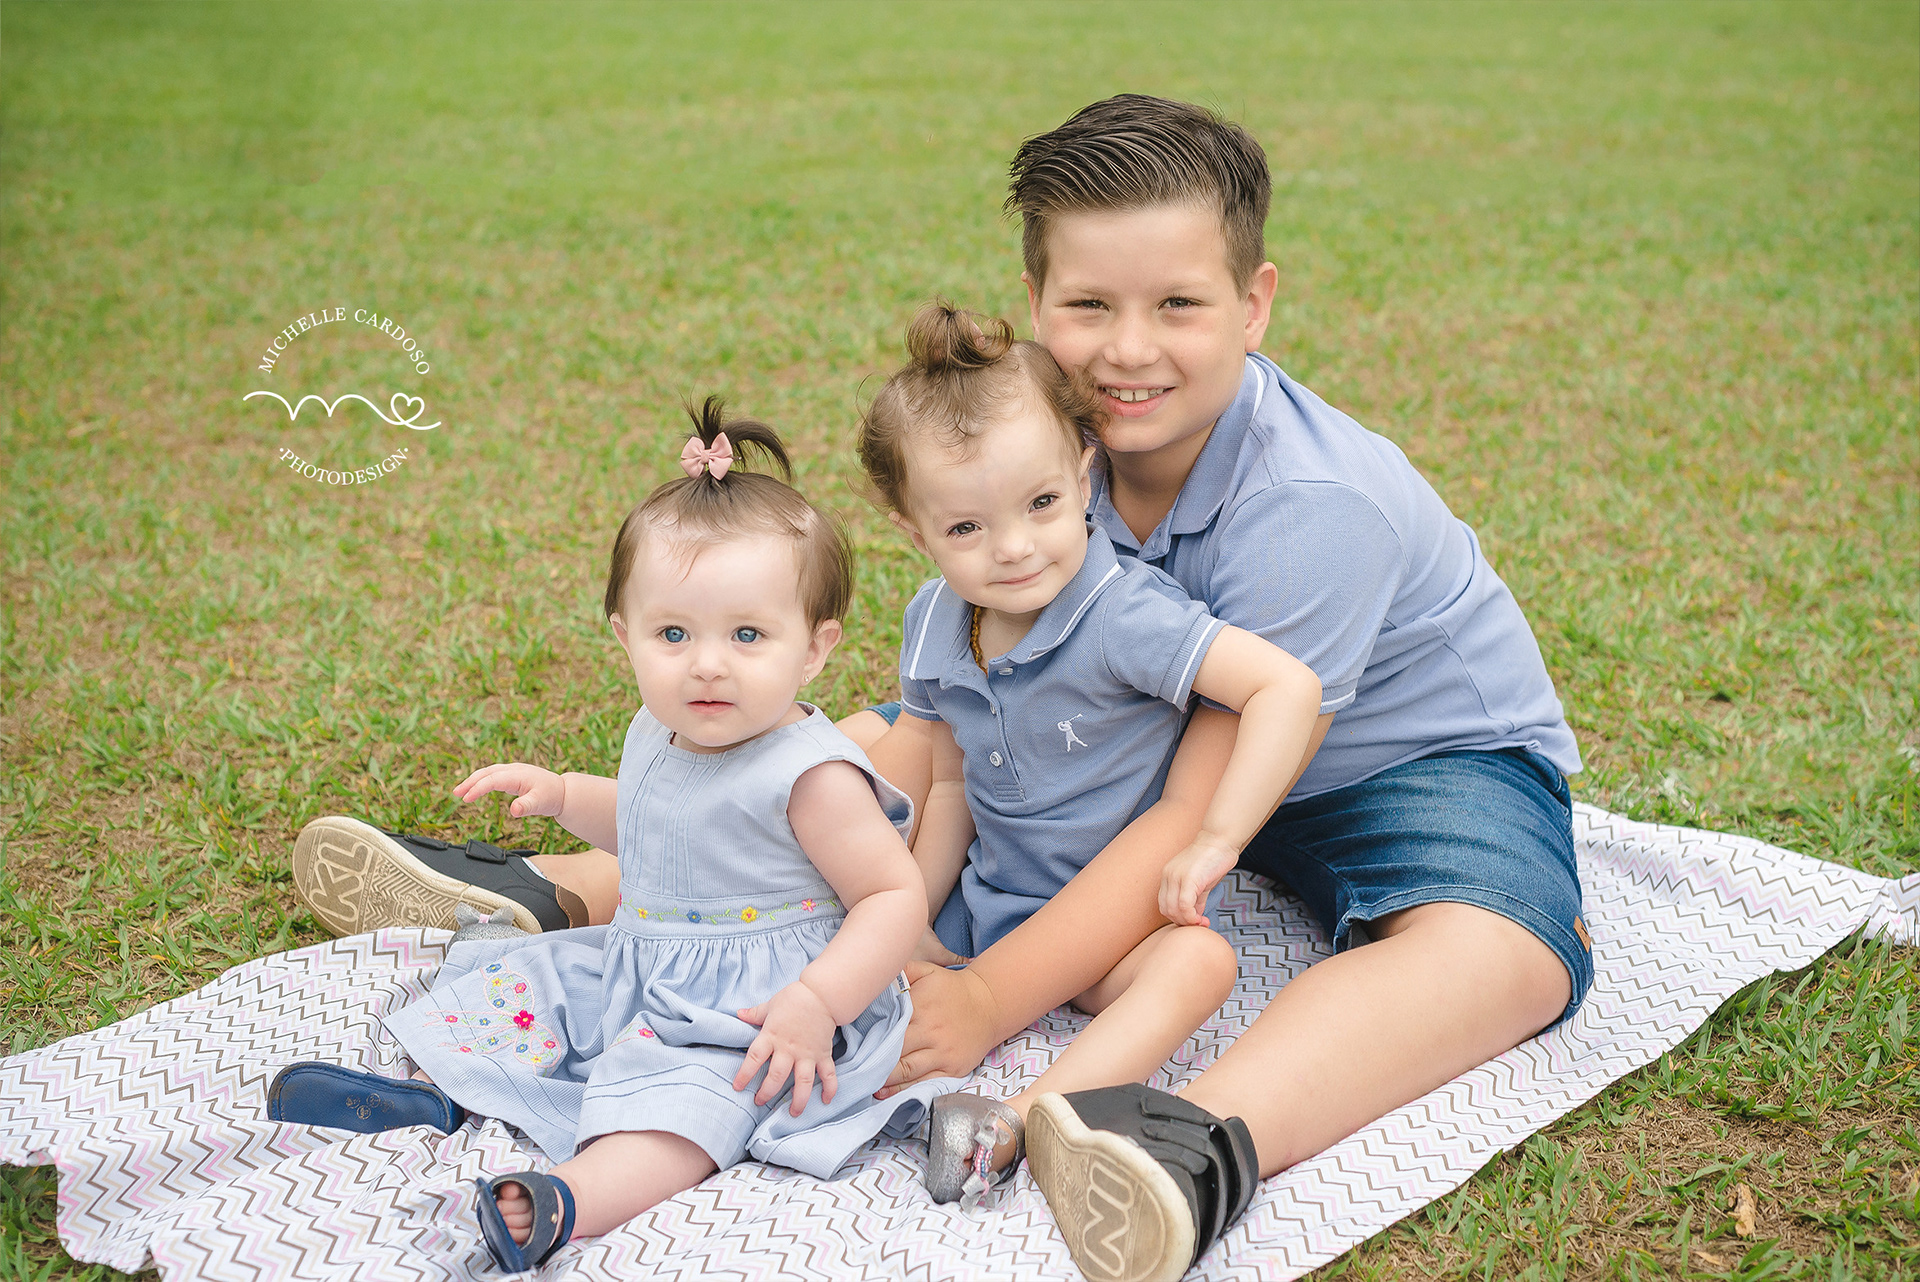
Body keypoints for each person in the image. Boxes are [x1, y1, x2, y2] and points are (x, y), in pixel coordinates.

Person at [865, 94, 1590, 1282]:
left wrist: (987, 999)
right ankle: (603, 885)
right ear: (1036, 302)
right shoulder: (1046, 456)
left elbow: (1187, 817)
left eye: (1179, 306)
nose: (1128, 350)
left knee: (1509, 952)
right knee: (893, 744)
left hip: (1401, 763)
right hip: (1146, 729)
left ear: (1254, 305)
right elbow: (951, 727)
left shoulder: (1309, 508)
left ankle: (1192, 1143)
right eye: (1089, 306)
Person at [265, 400, 949, 1273]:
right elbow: (650, 826)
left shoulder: (810, 775)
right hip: (643, 963)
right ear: (626, 636)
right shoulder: (659, 730)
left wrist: (818, 1003)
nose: (707, 662)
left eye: (748, 635)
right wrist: (562, 796)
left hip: (753, 1008)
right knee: (525, 985)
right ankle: (433, 1097)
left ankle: (568, 1199)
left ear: (814, 650)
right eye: (674, 634)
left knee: (690, 1104)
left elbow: (891, 895)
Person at [854, 302, 1322, 1206]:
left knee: (1200, 964)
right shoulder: (936, 619)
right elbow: (948, 781)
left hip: (1112, 934)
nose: (1015, 548)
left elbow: (1286, 688)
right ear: (915, 531)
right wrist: (913, 916)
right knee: (849, 901)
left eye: (1040, 504)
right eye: (966, 529)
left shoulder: (1124, 615)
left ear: (1083, 472)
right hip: (990, 905)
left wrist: (1218, 838)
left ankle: (1025, 1116)